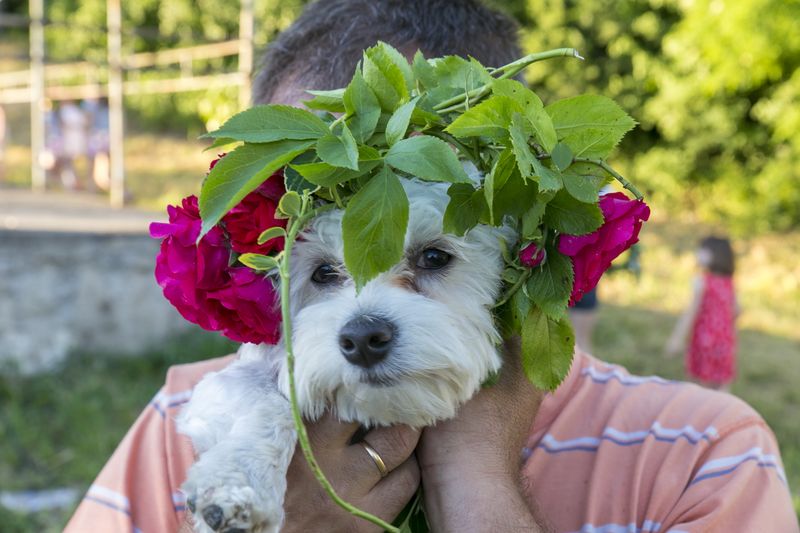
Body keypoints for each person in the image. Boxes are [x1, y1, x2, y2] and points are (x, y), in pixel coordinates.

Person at [65, 2, 798, 532]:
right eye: (324, 270)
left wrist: (477, 487)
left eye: (432, 256)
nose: (364, 320)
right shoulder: (188, 423)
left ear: (516, 242)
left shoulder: (700, 454)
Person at [666, 236, 738, 392]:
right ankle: (724, 413)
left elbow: (691, 312)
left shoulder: (702, 281)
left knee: (699, 386)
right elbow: (738, 310)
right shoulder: (729, 283)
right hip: (726, 342)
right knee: (722, 383)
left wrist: (676, 339)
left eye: (702, 250)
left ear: (714, 255)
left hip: (704, 341)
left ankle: (700, 413)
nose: (697, 254)